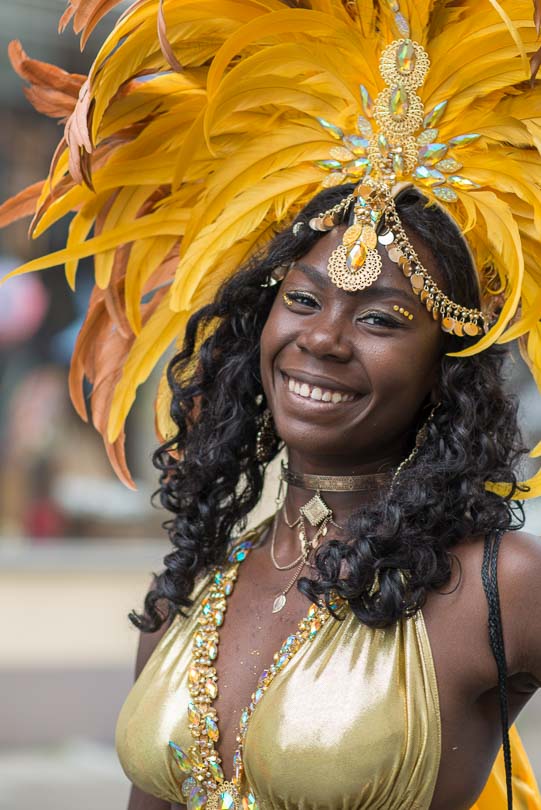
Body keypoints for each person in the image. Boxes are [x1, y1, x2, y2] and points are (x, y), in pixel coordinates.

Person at [2, 2, 541, 809]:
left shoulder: (495, 587)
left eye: (381, 318)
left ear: (446, 369)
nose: (323, 339)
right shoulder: (197, 579)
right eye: (301, 299)